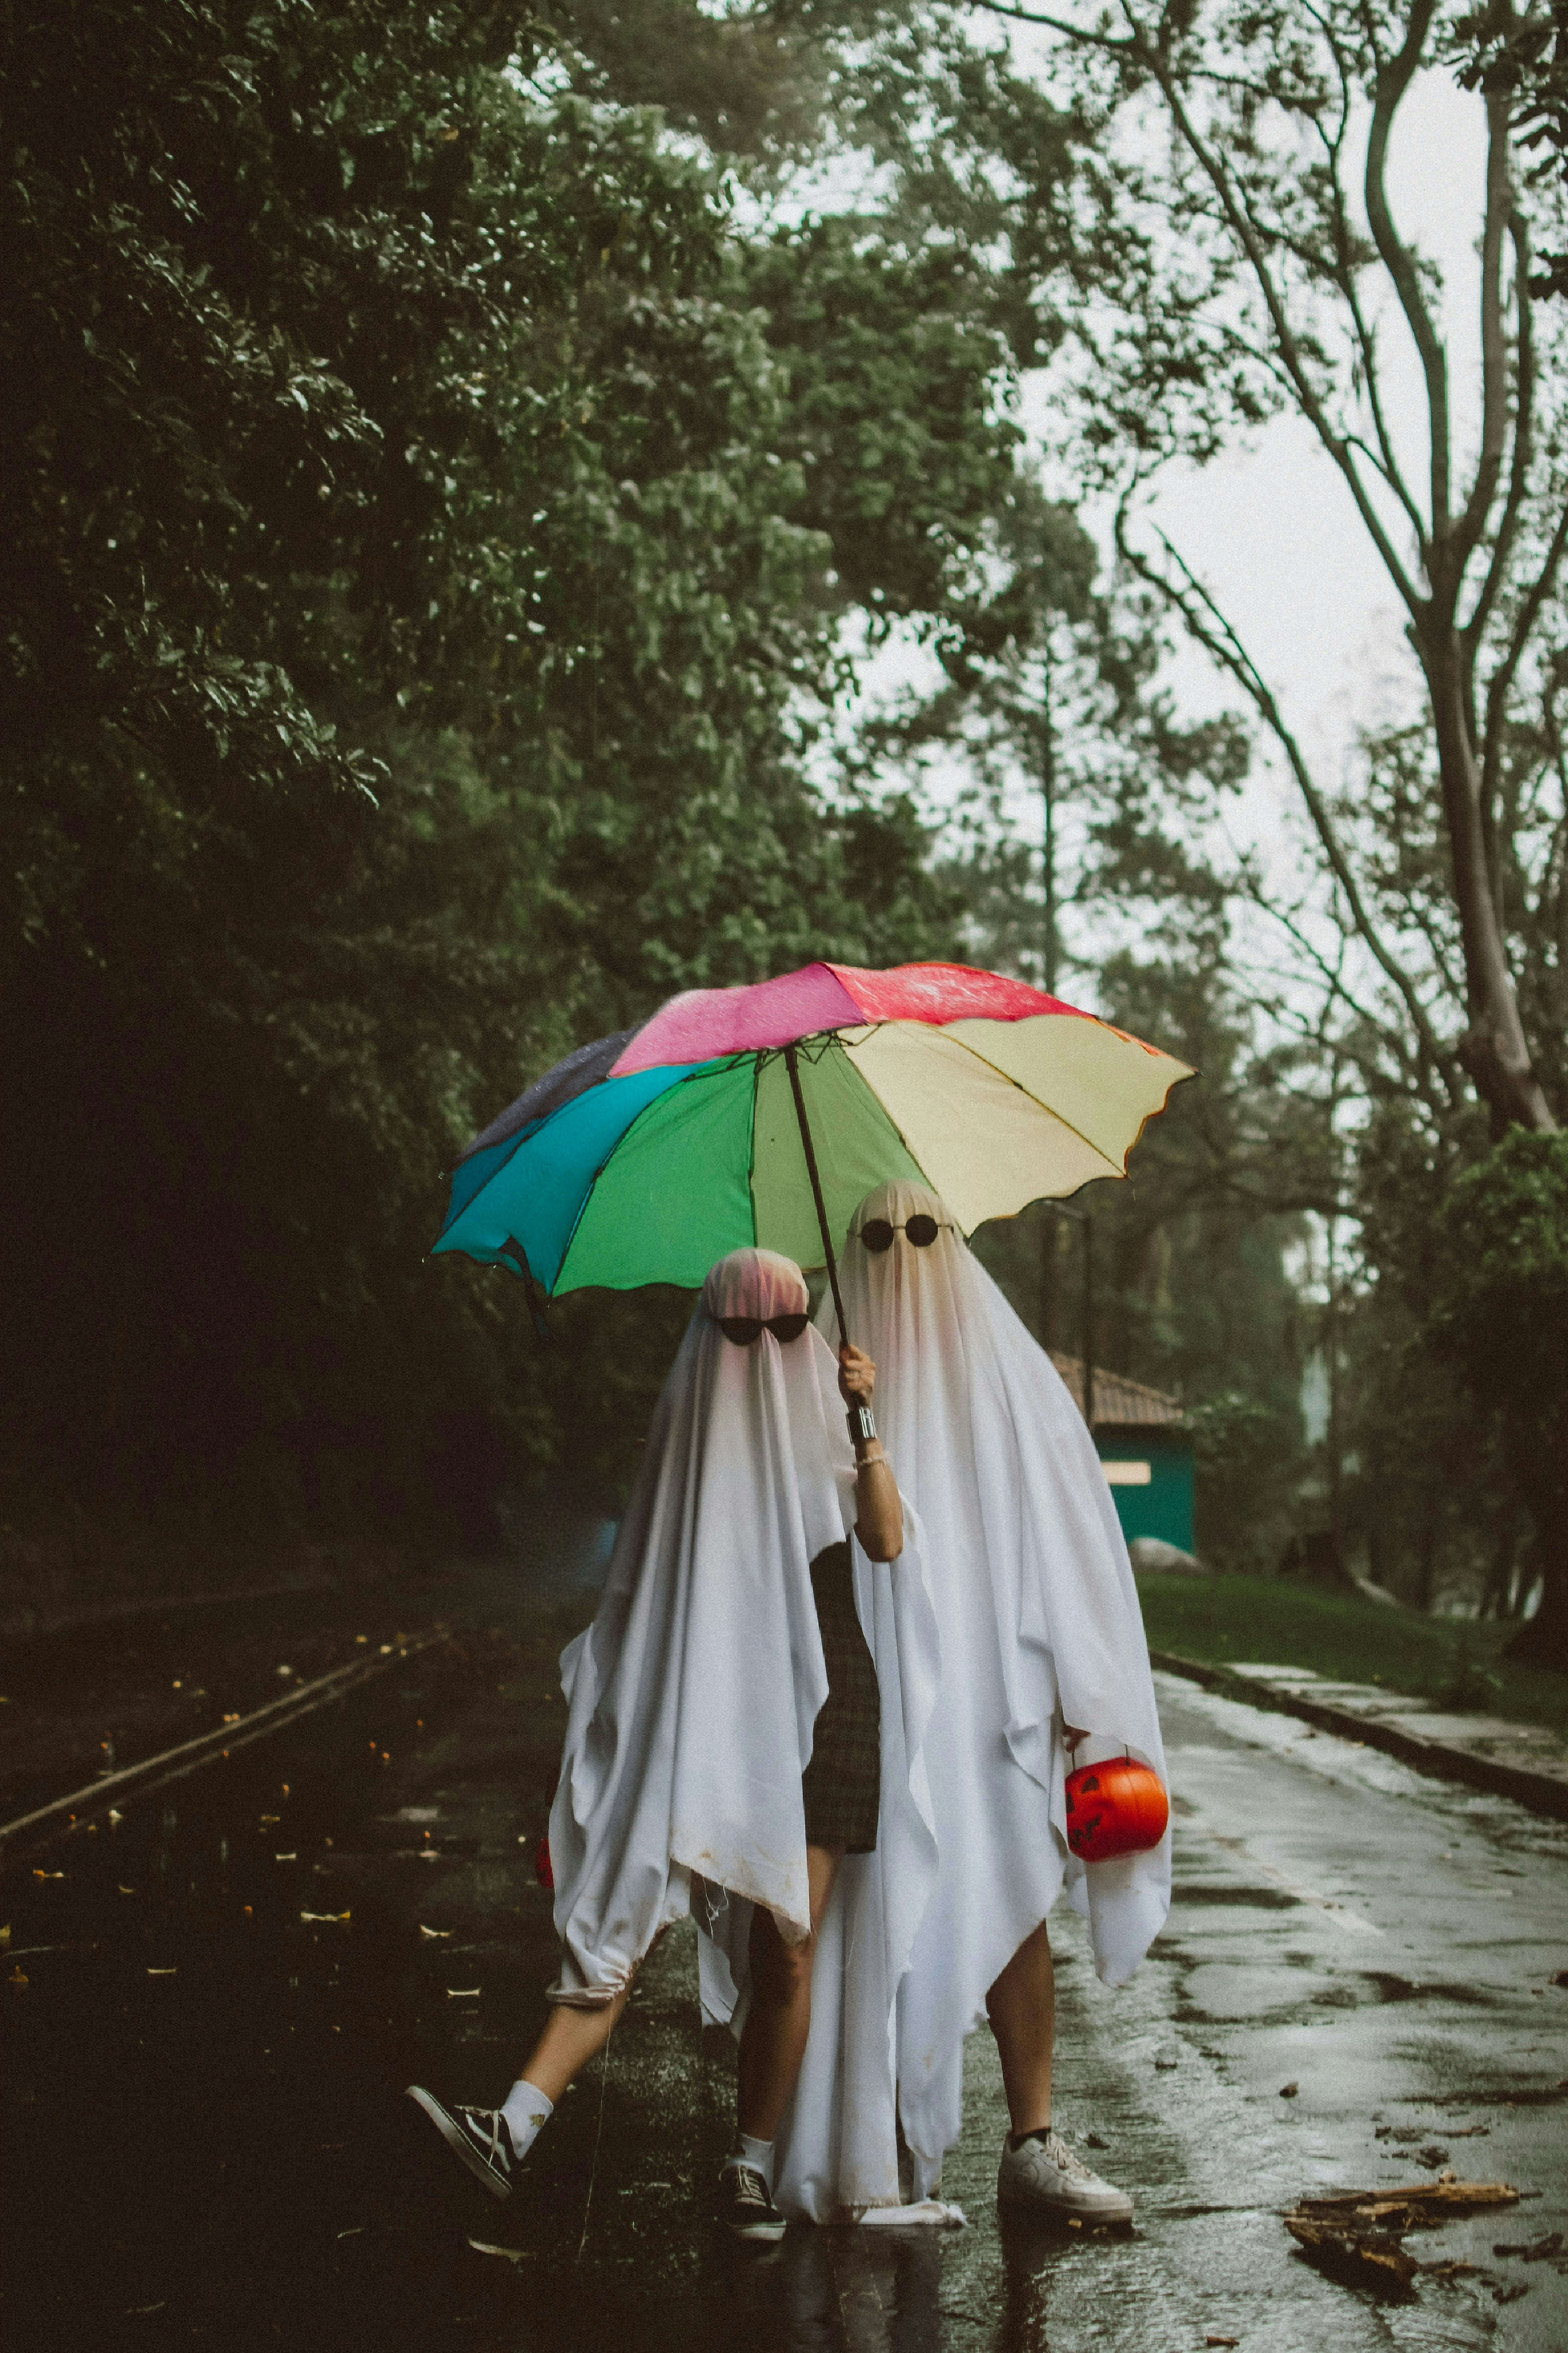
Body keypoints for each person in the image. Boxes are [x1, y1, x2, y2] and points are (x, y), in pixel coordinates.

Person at [407, 1247, 917, 2240]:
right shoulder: (691, 1438)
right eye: (738, 1331)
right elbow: (644, 1587)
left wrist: (864, 1417)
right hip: (705, 1697)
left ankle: (750, 2168)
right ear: (707, 1336)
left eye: (782, 1332)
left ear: (806, 1334)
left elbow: (888, 1540)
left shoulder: (828, 1409)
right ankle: (512, 2126)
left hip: (828, 1706)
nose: (760, 1353)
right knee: (624, 1901)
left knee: (791, 1946)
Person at [818, 1179, 1170, 2226]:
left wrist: (1075, 1686)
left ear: (956, 1236)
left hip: (993, 1692)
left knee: (1012, 1888)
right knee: (865, 1899)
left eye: (924, 1228)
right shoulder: (830, 1369)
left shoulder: (1011, 1377)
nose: (901, 1249)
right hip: (868, 1680)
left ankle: (1034, 2134)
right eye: (877, 1233)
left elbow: (1071, 1537)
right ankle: (866, 2138)